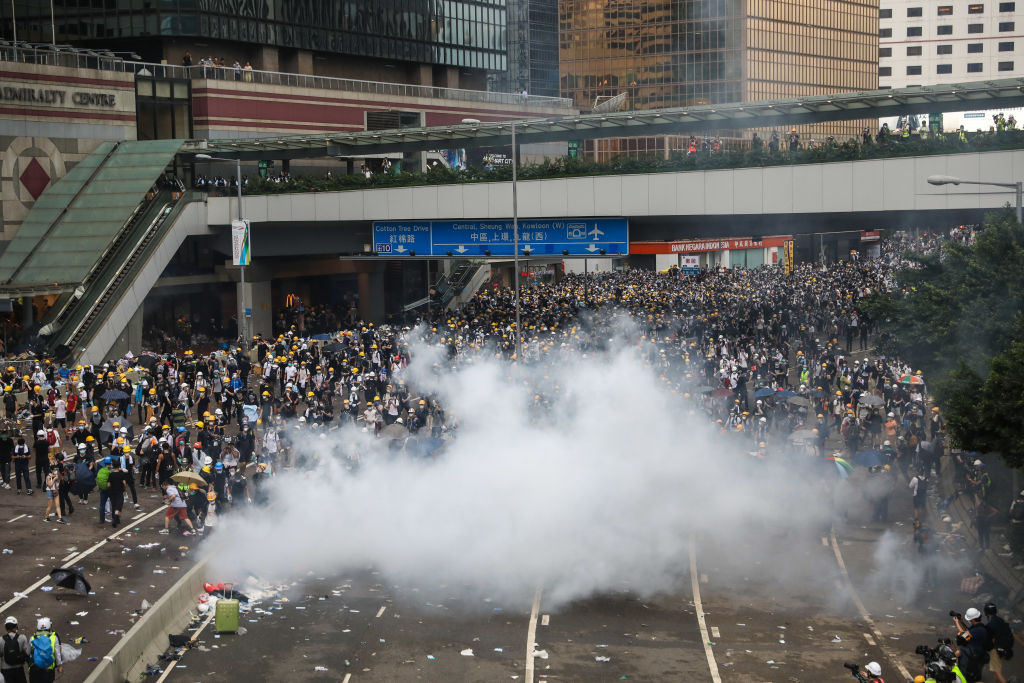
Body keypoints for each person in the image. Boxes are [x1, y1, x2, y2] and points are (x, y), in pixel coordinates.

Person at [955, 607, 990, 683]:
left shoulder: (977, 630)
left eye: (970, 620)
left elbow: (964, 635)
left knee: (971, 678)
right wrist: (961, 621)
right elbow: (966, 631)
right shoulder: (979, 627)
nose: (969, 621)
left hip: (974, 656)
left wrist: (957, 622)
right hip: (978, 655)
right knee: (975, 678)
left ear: (973, 620)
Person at [984, 603, 1014, 683]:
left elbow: (989, 640)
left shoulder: (990, 624)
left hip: (998, 649)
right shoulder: (1000, 620)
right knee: (996, 671)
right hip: (1007, 648)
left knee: (997, 672)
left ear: (986, 612)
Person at [27, 617, 61, 683]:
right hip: (48, 670)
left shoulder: (32, 638)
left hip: (34, 669)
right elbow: (57, 654)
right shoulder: (54, 638)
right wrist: (59, 665)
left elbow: (28, 653)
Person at [2, 616, 29, 683]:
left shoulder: (0, 640)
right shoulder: (22, 638)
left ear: (5, 627)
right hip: (19, 669)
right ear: (16, 626)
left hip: (5, 670)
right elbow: (27, 653)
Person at [105, 456, 129, 529]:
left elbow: (108, 484)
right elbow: (124, 483)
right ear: (119, 466)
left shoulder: (111, 474)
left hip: (112, 492)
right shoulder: (121, 474)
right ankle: (115, 519)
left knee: (114, 505)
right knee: (118, 506)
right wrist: (125, 489)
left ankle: (116, 519)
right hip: (119, 492)